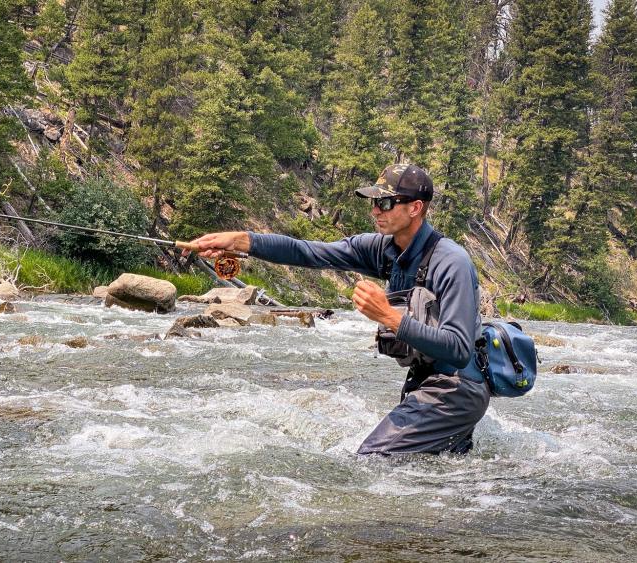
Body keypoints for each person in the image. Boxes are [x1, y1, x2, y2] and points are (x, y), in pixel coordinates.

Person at [189, 164, 489, 455]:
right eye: (374, 202)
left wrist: (388, 317)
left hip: (457, 389)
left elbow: (459, 349)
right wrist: (242, 241)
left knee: (372, 459)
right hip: (426, 381)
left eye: (385, 202)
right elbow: (308, 252)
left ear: (415, 208)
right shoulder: (383, 248)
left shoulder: (452, 263)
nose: (375, 211)